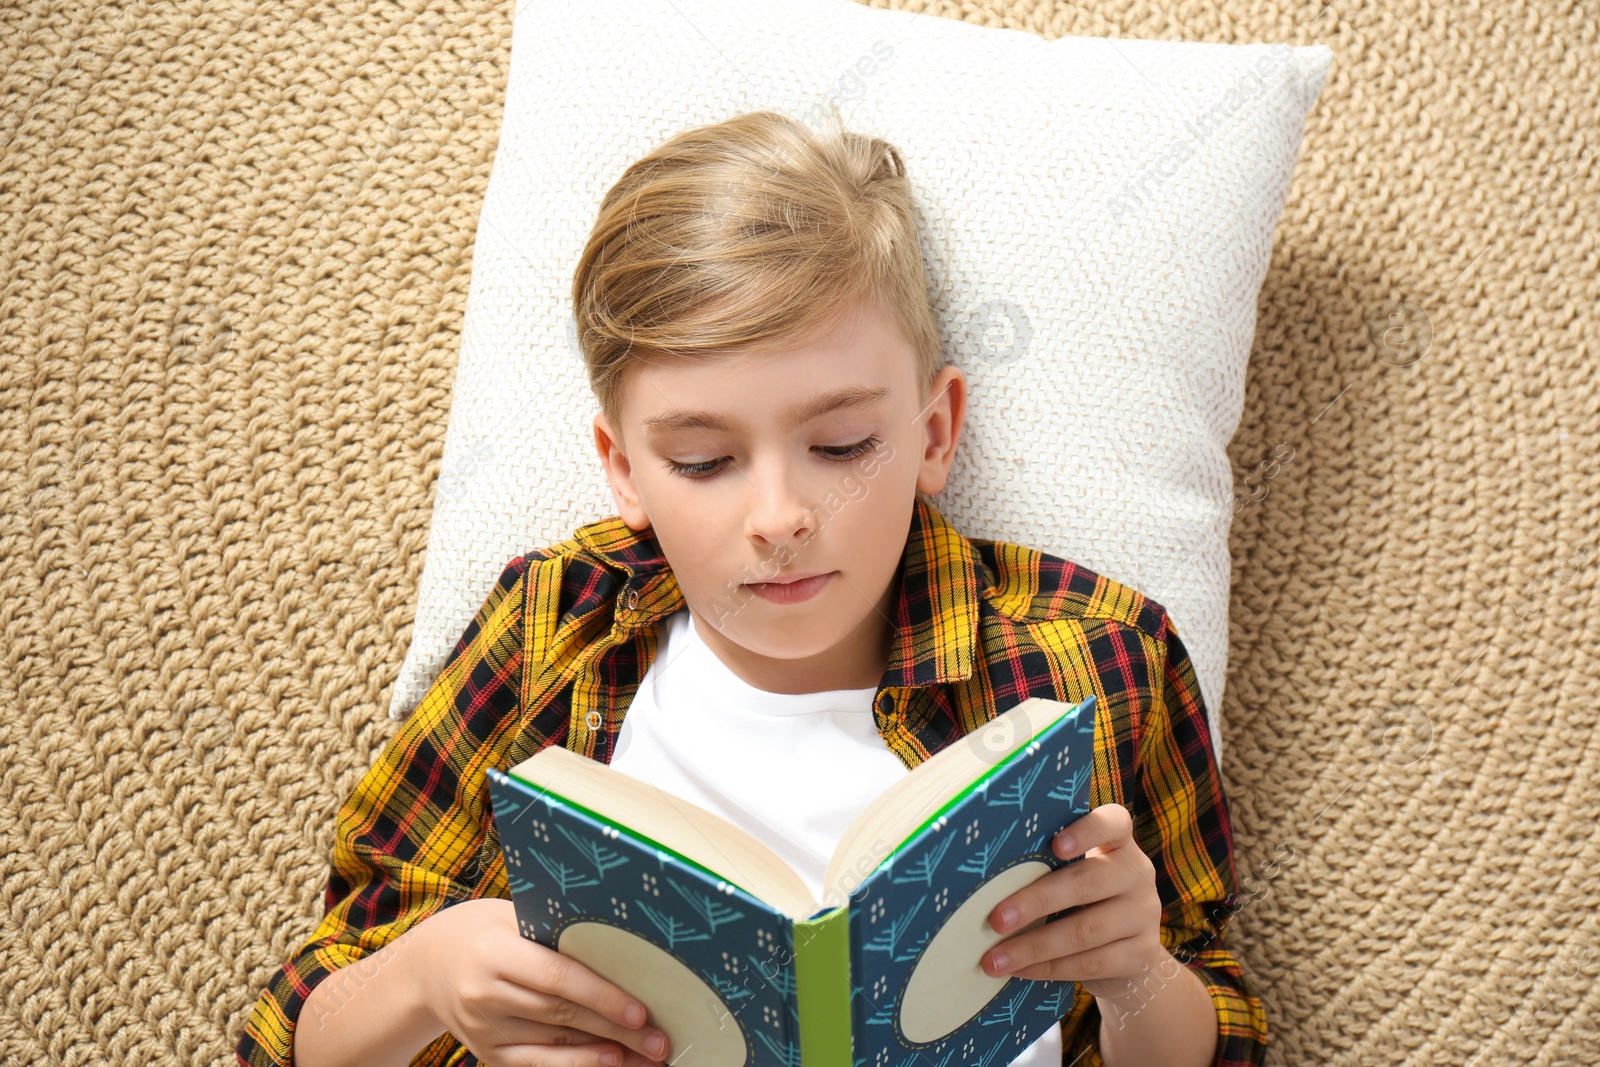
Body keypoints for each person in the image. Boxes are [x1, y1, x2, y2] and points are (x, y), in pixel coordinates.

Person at [236, 109, 1267, 1067]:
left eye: (841, 442)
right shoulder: (555, 628)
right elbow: (300, 1029)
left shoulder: (1096, 655)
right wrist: (425, 974)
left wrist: (1135, 976)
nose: (778, 515)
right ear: (625, 468)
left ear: (934, 432)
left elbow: (1220, 1032)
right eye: (700, 459)